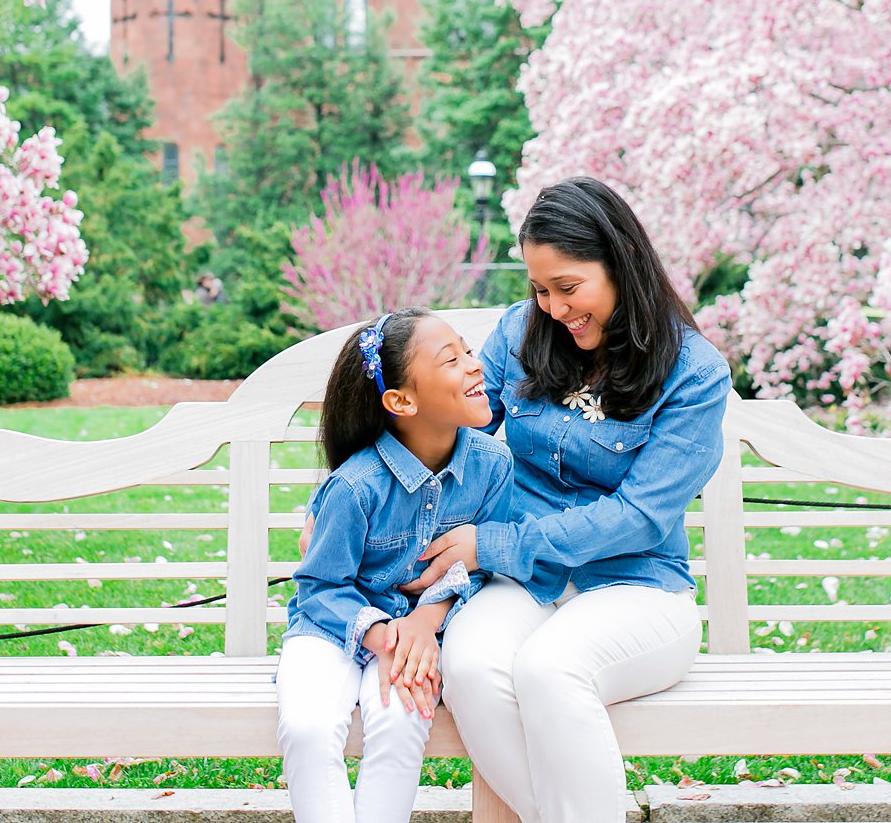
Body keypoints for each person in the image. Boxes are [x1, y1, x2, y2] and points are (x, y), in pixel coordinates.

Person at [400, 177, 730, 823]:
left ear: (622, 263)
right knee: (470, 667)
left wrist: (492, 542)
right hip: (530, 582)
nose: (552, 307)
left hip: (638, 588)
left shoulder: (694, 372)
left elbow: (639, 516)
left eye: (568, 287)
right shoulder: (522, 333)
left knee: (550, 669)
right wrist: (356, 490)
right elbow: (454, 426)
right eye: (539, 289)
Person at [278, 307, 514, 823]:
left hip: (422, 637)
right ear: (401, 401)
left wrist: (425, 624)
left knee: (402, 719)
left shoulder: (493, 467)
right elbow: (319, 588)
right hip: (332, 627)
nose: (474, 365)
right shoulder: (356, 487)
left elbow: (481, 570)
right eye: (450, 359)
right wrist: (384, 633)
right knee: (308, 727)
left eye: (468, 351)